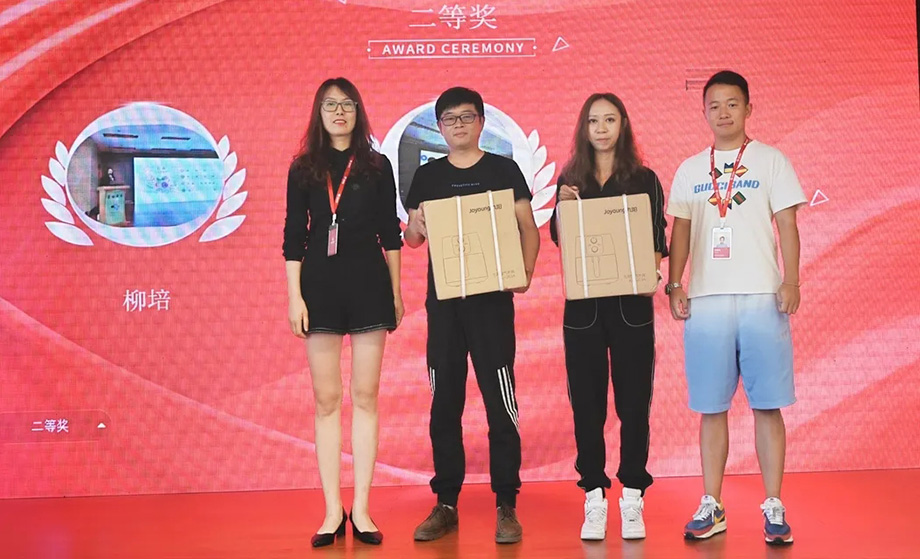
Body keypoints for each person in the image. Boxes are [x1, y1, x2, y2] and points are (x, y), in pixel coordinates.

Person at [666, 70, 805, 546]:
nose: (723, 113)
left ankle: (774, 504)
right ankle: (712, 504)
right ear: (703, 111)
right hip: (706, 300)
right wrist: (675, 284)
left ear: (748, 108)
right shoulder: (690, 169)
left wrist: (790, 280)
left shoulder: (772, 160)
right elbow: (681, 231)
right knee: (711, 408)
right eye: (714, 105)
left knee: (767, 405)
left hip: (763, 297)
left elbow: (787, 224)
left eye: (732, 104)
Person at [404, 87, 540, 544]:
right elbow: (413, 239)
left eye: (466, 117)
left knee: (501, 406)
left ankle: (507, 504)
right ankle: (446, 503)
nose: (459, 125)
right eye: (449, 118)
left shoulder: (503, 170)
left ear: (481, 122)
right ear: (440, 127)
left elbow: (527, 227)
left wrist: (524, 273)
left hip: (492, 307)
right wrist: (414, 226)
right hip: (444, 308)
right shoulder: (427, 176)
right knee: (444, 405)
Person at [282, 77, 403, 548]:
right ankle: (333, 510)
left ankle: (363, 509)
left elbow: (390, 233)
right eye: (331, 105)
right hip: (320, 289)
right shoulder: (303, 169)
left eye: (348, 104)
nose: (339, 112)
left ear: (359, 111)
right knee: (327, 399)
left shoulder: (376, 165)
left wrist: (396, 292)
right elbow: (294, 235)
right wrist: (294, 297)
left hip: (370, 285)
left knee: (366, 397)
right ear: (319, 112)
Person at [549, 93, 668, 541]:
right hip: (583, 309)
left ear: (623, 125)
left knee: (634, 403)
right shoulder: (570, 179)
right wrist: (563, 207)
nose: (601, 129)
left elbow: (657, 239)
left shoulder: (644, 179)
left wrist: (650, 274)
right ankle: (594, 494)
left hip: (631, 307)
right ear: (584, 128)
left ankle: (633, 493)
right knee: (587, 404)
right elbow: (561, 240)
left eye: (610, 120)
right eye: (593, 121)